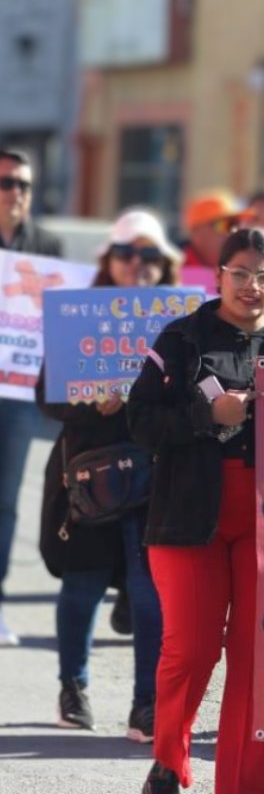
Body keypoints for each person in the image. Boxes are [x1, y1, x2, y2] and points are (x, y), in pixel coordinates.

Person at [127, 228, 264, 794]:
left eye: (263, 276)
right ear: (219, 277)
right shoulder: (182, 339)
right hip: (188, 517)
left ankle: (245, 785)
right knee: (193, 648)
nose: (251, 286)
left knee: (259, 660)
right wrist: (207, 416)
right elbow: (140, 425)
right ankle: (168, 758)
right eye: (240, 273)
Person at [36, 209, 179, 740]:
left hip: (153, 478)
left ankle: (146, 704)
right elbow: (45, 397)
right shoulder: (77, 318)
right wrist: (88, 404)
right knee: (83, 585)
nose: (137, 265)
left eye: (149, 255)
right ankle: (72, 688)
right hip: (89, 478)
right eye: (126, 253)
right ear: (109, 261)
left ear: (164, 263)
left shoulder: (181, 324)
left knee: (148, 592)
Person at [0, 147, 63, 647]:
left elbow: (60, 322)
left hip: (20, 392)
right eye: (5, 183)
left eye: (22, 184)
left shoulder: (47, 245)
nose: (14, 193)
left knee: (5, 502)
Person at [181, 189, 242, 279]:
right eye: (223, 224)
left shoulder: (246, 269)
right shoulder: (172, 273)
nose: (232, 231)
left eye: (234, 224)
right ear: (196, 230)